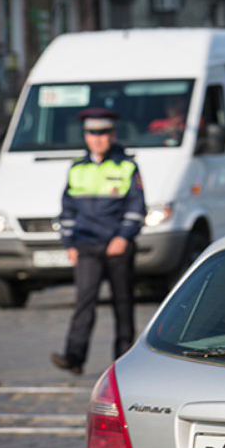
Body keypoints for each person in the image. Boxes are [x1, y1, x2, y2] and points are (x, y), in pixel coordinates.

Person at [51, 108, 146, 375]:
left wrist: (123, 237)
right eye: (93, 133)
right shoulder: (77, 169)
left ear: (112, 135)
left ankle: (124, 361)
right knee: (84, 302)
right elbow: (67, 210)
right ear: (86, 136)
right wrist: (69, 243)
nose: (98, 138)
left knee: (123, 303)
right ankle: (74, 356)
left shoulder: (127, 166)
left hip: (117, 246)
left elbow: (137, 207)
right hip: (86, 246)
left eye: (103, 133)